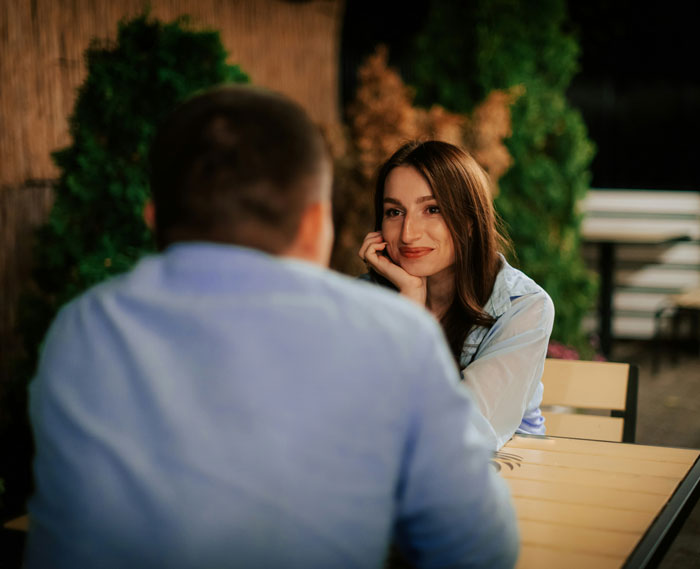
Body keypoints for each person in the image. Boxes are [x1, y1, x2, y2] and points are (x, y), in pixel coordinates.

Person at [26, 86, 518, 568]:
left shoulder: (81, 330)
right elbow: (476, 549)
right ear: (315, 223)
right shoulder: (392, 335)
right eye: (395, 212)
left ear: (153, 219)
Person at [359, 140, 555, 450]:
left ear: (470, 220)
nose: (408, 233)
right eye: (394, 211)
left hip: (510, 475)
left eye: (432, 209)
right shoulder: (364, 298)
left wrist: (412, 317)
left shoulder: (524, 307)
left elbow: (463, 433)